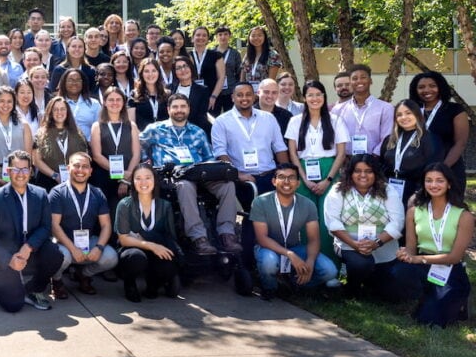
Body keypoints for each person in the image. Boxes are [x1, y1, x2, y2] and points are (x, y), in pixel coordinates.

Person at [141, 93, 243, 256]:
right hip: (173, 176)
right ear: (168, 109)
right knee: (185, 186)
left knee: (227, 186)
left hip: (199, 174)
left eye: (183, 106)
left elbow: (209, 157)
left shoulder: (198, 132)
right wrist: (147, 163)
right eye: (175, 107)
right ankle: (199, 237)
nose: (179, 110)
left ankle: (227, 233)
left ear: (188, 109)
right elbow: (138, 145)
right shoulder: (155, 130)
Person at [212, 82, 290, 262]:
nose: (244, 98)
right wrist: (237, 175)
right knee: (251, 220)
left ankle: (278, 262)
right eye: (240, 95)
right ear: (232, 97)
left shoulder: (268, 119)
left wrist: (286, 174)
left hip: (269, 176)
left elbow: (279, 147)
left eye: (248, 94)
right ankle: (249, 263)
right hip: (242, 180)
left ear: (254, 96)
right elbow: (220, 153)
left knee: (277, 220)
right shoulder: (222, 121)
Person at [0, 150, 62, 312]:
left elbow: (46, 227)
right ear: (8, 171)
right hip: (3, 255)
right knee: (14, 305)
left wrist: (29, 246)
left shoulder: (40, 194)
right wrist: (8, 259)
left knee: (55, 254)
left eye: (25, 169)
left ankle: (33, 289)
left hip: (29, 251)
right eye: (16, 169)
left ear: (31, 172)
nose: (20, 174)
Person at [394, 163, 473, 327]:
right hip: (423, 265)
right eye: (428, 180)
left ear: (449, 183)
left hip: (450, 267)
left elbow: (454, 257)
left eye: (439, 180)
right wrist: (405, 254)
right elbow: (411, 248)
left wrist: (418, 259)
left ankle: (453, 303)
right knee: (396, 273)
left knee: (430, 320)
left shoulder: (464, 216)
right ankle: (425, 296)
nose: (434, 185)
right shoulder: (414, 211)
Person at [250, 163, 338, 300]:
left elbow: (313, 239)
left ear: (298, 183)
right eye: (281, 177)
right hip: (268, 248)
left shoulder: (308, 204)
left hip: (295, 247)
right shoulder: (260, 202)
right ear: (274, 181)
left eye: (291, 178)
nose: (286, 182)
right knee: (269, 262)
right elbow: (262, 238)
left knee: (329, 271)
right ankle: (270, 288)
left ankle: (296, 286)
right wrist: (289, 254)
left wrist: (310, 260)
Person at [284, 81, 348, 266]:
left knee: (328, 219)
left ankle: (331, 266)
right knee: (306, 219)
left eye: (318, 94)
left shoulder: (336, 120)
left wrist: (328, 180)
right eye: (310, 95)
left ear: (324, 97)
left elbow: (341, 153)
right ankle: (307, 265)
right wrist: (303, 179)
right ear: (304, 98)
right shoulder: (295, 121)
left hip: (330, 169)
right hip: (303, 172)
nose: (315, 98)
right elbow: (293, 153)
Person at [324, 154, 404, 299]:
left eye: (368, 171)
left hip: (383, 246)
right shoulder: (338, 190)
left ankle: (367, 284)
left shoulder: (388, 190)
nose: (363, 175)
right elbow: (332, 222)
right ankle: (351, 289)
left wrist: (376, 243)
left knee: (390, 294)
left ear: (375, 173)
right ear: (350, 172)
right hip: (348, 244)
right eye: (357, 171)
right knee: (360, 264)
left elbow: (397, 222)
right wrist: (354, 244)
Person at [49, 152, 119, 297]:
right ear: (68, 168)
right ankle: (56, 281)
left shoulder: (97, 193)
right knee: (63, 256)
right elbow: (54, 226)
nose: (80, 170)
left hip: (88, 241)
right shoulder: (57, 193)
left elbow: (106, 225)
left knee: (110, 257)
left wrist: (99, 248)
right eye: (76, 166)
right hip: (63, 243)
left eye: (85, 166)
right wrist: (73, 248)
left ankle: (83, 275)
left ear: (90, 171)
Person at [115, 164, 182, 302]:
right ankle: (130, 284)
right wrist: (151, 245)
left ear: (155, 180)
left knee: (168, 262)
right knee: (135, 258)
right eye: (138, 178)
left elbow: (169, 237)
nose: (143, 182)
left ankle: (154, 285)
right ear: (132, 182)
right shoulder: (125, 204)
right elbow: (124, 239)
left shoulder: (165, 205)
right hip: (132, 249)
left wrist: (144, 236)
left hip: (156, 248)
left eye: (147, 178)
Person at [409, 71, 469, 188]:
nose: (427, 90)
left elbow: (460, 143)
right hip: (416, 170)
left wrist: (442, 169)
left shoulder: (454, 109)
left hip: (448, 168)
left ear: (440, 87)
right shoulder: (411, 111)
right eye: (421, 87)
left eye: (432, 86)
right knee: (415, 205)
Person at [89, 87, 140, 222]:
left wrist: (127, 176)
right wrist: (120, 173)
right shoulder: (97, 126)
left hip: (129, 175)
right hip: (105, 175)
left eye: (118, 99)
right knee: (108, 210)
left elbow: (136, 154)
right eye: (111, 99)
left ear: (123, 102)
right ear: (104, 102)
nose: (115, 103)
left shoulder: (131, 125)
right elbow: (97, 156)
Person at [380, 100, 443, 207]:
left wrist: (418, 193)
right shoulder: (390, 139)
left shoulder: (429, 139)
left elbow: (433, 169)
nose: (404, 117)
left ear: (417, 114)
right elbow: (381, 165)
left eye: (408, 113)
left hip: (415, 192)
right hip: (389, 190)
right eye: (399, 115)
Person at [331, 64, 394, 156]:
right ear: (351, 82)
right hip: (346, 162)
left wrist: (372, 158)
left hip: (374, 162)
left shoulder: (385, 108)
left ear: (370, 81)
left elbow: (387, 137)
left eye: (363, 77)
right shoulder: (338, 110)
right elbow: (334, 137)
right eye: (355, 78)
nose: (359, 81)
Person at [32, 96, 88, 190]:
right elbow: (36, 161)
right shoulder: (40, 134)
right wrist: (55, 175)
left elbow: (84, 156)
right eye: (55, 110)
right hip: (48, 181)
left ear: (67, 112)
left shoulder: (77, 133)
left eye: (62, 109)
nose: (59, 113)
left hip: (74, 181)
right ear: (50, 112)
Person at [0, 86, 34, 187]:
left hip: (19, 174)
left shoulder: (24, 125)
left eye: (9, 101)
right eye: (1, 101)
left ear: (14, 103)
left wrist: (23, 175)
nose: (5, 105)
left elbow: (28, 155)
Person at [169, 55, 212, 136]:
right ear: (174, 72)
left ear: (191, 68)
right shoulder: (169, 89)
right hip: (171, 131)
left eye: (185, 66)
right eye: (178, 68)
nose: (183, 70)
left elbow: (201, 116)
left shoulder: (202, 90)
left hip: (194, 132)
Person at [189, 26, 226, 113]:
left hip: (212, 97)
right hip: (192, 96)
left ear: (208, 39)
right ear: (192, 38)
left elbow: (221, 77)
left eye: (204, 35)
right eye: (198, 35)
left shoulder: (216, 55)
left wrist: (213, 96)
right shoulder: (187, 56)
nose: (201, 37)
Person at [58, 68, 101, 141]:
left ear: (83, 83)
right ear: (64, 83)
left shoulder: (94, 104)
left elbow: (100, 129)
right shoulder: (56, 103)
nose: (74, 83)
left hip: (88, 147)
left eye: (78, 80)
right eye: (70, 80)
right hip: (62, 147)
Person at [132, 58, 169, 131]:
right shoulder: (134, 95)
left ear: (159, 72)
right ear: (141, 74)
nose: (150, 74)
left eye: (154, 71)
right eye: (146, 71)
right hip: (142, 138)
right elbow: (132, 123)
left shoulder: (168, 95)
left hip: (164, 138)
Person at [240, 25, 281, 91]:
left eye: (259, 35)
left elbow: (270, 81)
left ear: (265, 37)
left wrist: (258, 95)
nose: (256, 38)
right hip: (248, 96)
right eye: (253, 36)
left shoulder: (272, 55)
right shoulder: (247, 55)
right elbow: (242, 79)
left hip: (265, 94)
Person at [213, 25, 241, 115]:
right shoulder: (211, 53)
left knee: (231, 116)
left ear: (230, 36)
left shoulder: (235, 53)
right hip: (215, 91)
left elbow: (239, 72)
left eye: (225, 34)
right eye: (220, 34)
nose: (223, 37)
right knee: (214, 116)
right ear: (216, 37)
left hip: (230, 91)